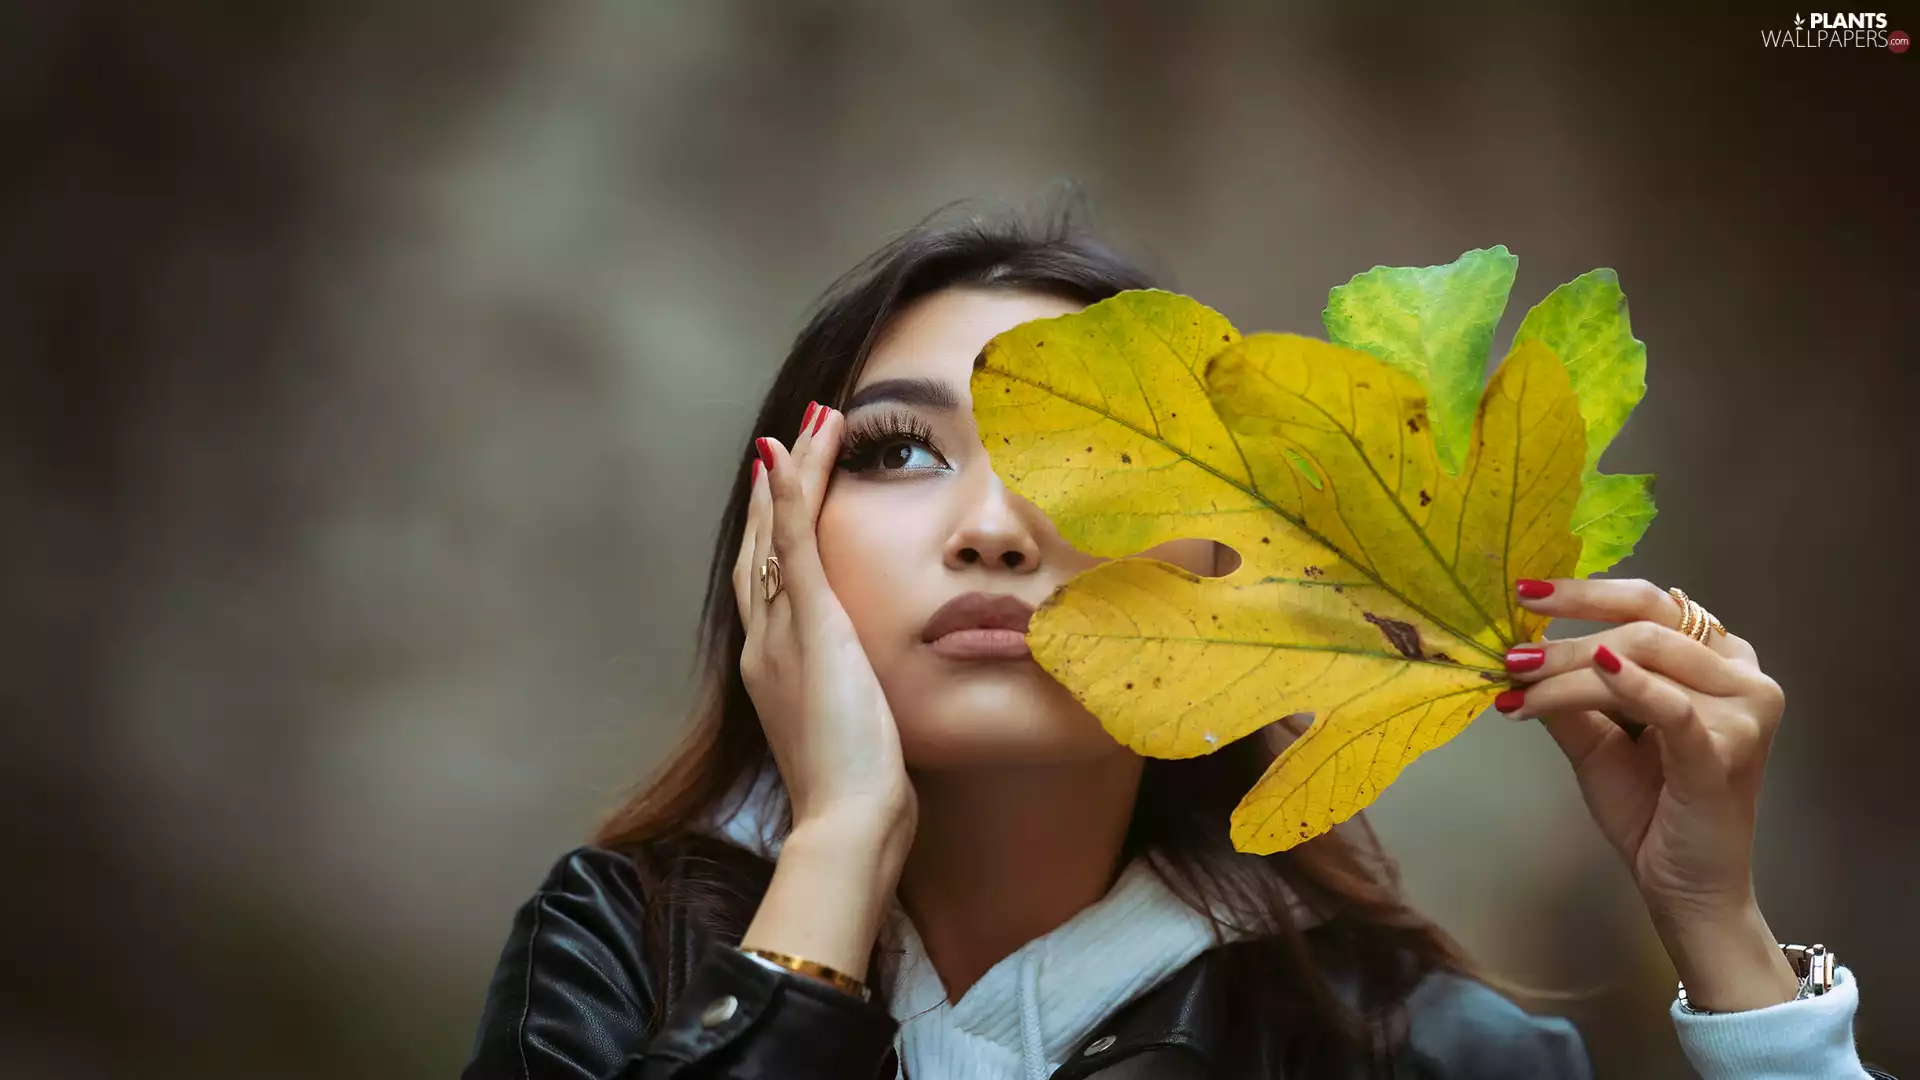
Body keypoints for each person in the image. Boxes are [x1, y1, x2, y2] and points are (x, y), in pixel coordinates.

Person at [460, 204, 1892, 1079]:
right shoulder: (616, 962)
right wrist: (837, 848)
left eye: (1093, 469)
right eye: (898, 454)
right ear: (774, 539)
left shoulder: (1425, 1057)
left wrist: (1723, 937)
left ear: (1239, 570)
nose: (997, 529)